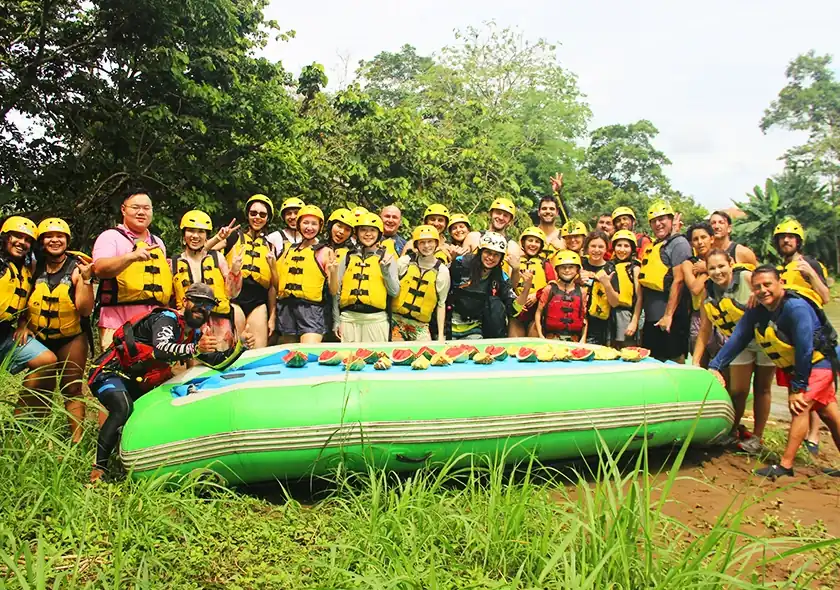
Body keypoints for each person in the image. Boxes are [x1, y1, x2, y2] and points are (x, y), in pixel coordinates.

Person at [87, 283, 251, 483]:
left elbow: (217, 363)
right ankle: (99, 470)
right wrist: (194, 348)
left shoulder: (194, 334)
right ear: (185, 302)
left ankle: (135, 462)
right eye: (197, 302)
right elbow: (162, 349)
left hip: (138, 381)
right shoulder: (167, 319)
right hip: (109, 373)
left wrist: (240, 345)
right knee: (122, 408)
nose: (201, 308)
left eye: (207, 305)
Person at [708, 266, 840, 478]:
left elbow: (805, 348)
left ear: (781, 284)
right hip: (803, 366)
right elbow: (739, 338)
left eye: (768, 284)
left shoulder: (796, 307)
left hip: (819, 362)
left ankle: (785, 466)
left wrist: (798, 387)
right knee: (830, 415)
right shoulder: (757, 310)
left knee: (800, 407)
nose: (763, 290)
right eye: (757, 287)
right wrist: (715, 366)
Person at [696, 251, 773, 454]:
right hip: (739, 344)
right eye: (711, 268)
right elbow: (705, 329)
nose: (717, 271)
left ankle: (757, 437)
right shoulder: (709, 291)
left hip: (765, 340)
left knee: (762, 389)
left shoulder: (747, 278)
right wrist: (695, 363)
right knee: (738, 391)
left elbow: (770, 292)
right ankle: (730, 432)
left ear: (731, 263)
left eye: (721, 266)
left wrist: (756, 294)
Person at [26, 218, 94, 441]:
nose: (55, 240)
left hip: (71, 337)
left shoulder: (77, 268)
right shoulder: (34, 268)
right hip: (40, 336)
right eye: (49, 236)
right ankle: (33, 438)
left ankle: (76, 442)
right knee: (39, 389)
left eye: (60, 236)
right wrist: (20, 326)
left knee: (72, 389)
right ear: (42, 241)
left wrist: (86, 280)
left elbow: (85, 310)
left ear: (67, 240)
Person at [772, 218, 832, 456]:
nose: (786, 240)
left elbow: (825, 297)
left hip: (813, 334)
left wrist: (811, 274)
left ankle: (813, 436)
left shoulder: (809, 264)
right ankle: (804, 435)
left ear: (798, 240)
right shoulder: (780, 268)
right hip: (790, 339)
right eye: (782, 237)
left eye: (791, 237)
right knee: (798, 393)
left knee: (811, 396)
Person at [92, 189, 172, 349]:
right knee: (117, 370)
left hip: (154, 321)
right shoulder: (110, 237)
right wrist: (131, 257)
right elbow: (99, 269)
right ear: (123, 209)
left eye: (146, 208)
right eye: (135, 207)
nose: (141, 212)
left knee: (156, 372)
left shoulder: (158, 242)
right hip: (118, 320)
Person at [0, 217, 57, 402]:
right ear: (5, 237)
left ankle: (21, 416)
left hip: (5, 333)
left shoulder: (26, 270)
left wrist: (23, 323)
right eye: (16, 236)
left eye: (27, 240)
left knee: (46, 360)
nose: (22, 243)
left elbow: (24, 302)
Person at [211, 194, 277, 349]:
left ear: (267, 218)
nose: (257, 217)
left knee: (258, 352)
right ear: (248, 215)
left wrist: (272, 316)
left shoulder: (270, 246)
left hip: (259, 302)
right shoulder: (233, 237)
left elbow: (273, 286)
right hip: (236, 299)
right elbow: (203, 251)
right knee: (236, 349)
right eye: (253, 213)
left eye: (262, 214)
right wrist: (218, 237)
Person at [172, 210, 241, 353]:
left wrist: (235, 271)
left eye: (201, 232)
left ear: (206, 236)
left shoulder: (217, 258)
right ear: (184, 236)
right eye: (191, 231)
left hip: (220, 324)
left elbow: (232, 293)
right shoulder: (173, 264)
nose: (195, 236)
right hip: (189, 326)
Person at [448, 232, 531, 340]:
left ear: (501, 258)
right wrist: (453, 262)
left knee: (495, 304)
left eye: (496, 255)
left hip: (475, 329)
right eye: (488, 252)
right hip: (448, 325)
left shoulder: (501, 277)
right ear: (481, 251)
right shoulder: (461, 262)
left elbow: (513, 310)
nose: (491, 258)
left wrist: (526, 288)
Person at [638, 201, 692, 363]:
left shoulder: (679, 243)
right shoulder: (658, 245)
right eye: (654, 221)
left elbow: (679, 280)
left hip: (672, 318)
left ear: (671, 220)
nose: (658, 224)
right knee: (653, 362)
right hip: (652, 318)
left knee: (675, 362)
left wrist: (668, 315)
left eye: (662, 219)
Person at [334, 212, 400, 343]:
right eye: (363, 230)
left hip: (376, 319)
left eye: (372, 230)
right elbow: (336, 292)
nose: (368, 234)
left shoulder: (387, 258)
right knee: (349, 361)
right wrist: (336, 320)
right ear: (357, 233)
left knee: (374, 360)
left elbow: (394, 291)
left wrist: (385, 271)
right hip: (348, 318)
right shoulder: (347, 257)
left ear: (379, 234)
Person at [276, 205, 337, 344]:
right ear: (298, 225)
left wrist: (333, 273)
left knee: (308, 354)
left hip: (312, 310)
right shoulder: (288, 250)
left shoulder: (325, 251)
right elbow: (276, 283)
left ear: (320, 227)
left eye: (314, 224)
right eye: (305, 223)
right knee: (289, 356)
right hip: (286, 308)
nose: (309, 227)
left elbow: (333, 290)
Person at [391, 225, 451, 342]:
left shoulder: (442, 271)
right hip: (397, 321)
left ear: (436, 243)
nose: (426, 246)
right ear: (416, 245)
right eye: (422, 242)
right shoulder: (405, 262)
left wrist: (440, 336)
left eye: (430, 242)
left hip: (421, 326)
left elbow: (441, 304)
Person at [598, 230, 642, 348]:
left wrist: (634, 322)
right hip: (608, 315)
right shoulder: (609, 266)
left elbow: (639, 298)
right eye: (619, 245)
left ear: (632, 249)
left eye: (626, 246)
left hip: (626, 314)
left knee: (627, 348)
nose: (622, 250)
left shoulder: (635, 268)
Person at [509, 227, 553, 337]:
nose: (533, 244)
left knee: (534, 346)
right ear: (523, 243)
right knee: (514, 344)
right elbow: (508, 286)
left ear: (541, 246)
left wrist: (536, 295)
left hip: (537, 311)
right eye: (530, 240)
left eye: (537, 242)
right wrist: (516, 300)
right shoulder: (515, 261)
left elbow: (553, 284)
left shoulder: (545, 263)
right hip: (518, 311)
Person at [682, 222, 716, 366]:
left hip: (720, 317)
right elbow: (695, 289)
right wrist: (708, 270)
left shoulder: (722, 258)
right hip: (698, 319)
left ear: (712, 239)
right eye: (695, 239)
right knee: (700, 366)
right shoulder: (689, 264)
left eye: (704, 237)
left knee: (724, 367)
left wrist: (706, 267)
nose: (700, 242)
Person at [536, 251, 586, 342]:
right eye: (563, 267)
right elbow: (539, 312)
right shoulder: (549, 289)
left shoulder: (582, 292)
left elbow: (584, 318)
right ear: (557, 270)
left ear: (577, 270)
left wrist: (583, 339)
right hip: (551, 338)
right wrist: (540, 335)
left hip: (574, 340)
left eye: (571, 267)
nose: (567, 270)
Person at [462, 198, 522, 266]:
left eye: (505, 215)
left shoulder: (512, 247)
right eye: (498, 213)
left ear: (510, 221)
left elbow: (512, 274)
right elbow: (461, 266)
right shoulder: (473, 237)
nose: (501, 217)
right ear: (490, 214)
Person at [580, 231, 614, 345]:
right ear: (587, 247)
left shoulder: (610, 269)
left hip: (599, 323)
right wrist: (577, 279)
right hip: (577, 319)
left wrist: (607, 284)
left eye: (601, 247)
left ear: (606, 249)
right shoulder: (579, 264)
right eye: (593, 246)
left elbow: (615, 302)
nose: (596, 250)